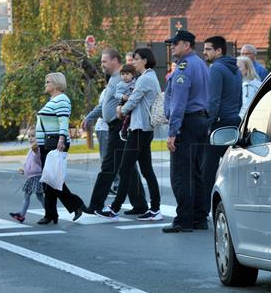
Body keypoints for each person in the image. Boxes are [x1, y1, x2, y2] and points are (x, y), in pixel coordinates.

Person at [97, 48, 162, 221]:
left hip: (140, 130)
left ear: (145, 60)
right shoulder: (150, 76)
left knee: (125, 169)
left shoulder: (145, 79)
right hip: (143, 129)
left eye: (137, 59)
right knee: (147, 171)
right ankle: (155, 209)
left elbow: (133, 100)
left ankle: (115, 209)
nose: (133, 62)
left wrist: (121, 111)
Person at [83, 49, 147, 216]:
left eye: (105, 61)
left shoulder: (125, 78)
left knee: (109, 166)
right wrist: (89, 117)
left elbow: (134, 99)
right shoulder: (113, 79)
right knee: (127, 166)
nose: (102, 65)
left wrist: (123, 113)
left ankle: (95, 204)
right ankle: (140, 204)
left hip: (120, 125)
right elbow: (105, 104)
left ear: (116, 61)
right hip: (114, 125)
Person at [162, 30, 209, 233]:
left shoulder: (184, 68)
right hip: (200, 122)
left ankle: (184, 219)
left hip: (187, 124)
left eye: (176, 43)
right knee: (196, 173)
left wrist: (173, 131)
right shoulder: (201, 64)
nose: (172, 46)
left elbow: (179, 103)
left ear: (187, 45)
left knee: (182, 174)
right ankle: (199, 218)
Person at [201, 35, 242, 225]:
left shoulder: (216, 68)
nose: (205, 52)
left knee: (208, 170)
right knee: (230, 170)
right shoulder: (236, 68)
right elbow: (240, 98)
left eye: (209, 49)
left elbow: (213, 98)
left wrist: (208, 121)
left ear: (219, 51)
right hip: (234, 120)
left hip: (219, 123)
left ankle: (203, 210)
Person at [35, 72, 84, 224]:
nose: (45, 84)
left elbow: (63, 121)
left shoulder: (62, 99)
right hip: (47, 143)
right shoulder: (53, 100)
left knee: (51, 179)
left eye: (48, 82)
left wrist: (61, 139)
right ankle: (51, 214)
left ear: (56, 84)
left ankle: (75, 204)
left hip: (55, 143)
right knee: (49, 180)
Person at [9, 131, 45, 223]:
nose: (30, 138)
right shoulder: (31, 149)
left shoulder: (37, 149)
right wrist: (24, 170)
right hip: (32, 176)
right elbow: (30, 163)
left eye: (33, 136)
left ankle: (22, 215)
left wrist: (36, 152)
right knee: (39, 196)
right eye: (29, 136)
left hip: (36, 176)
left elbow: (38, 160)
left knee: (29, 195)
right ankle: (49, 212)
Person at [115, 64, 137, 140]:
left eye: (127, 74)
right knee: (127, 117)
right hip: (124, 103)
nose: (124, 76)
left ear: (133, 75)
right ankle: (123, 130)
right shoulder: (120, 85)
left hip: (133, 102)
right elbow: (116, 94)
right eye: (122, 74)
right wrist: (122, 96)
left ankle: (128, 129)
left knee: (132, 116)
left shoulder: (135, 82)